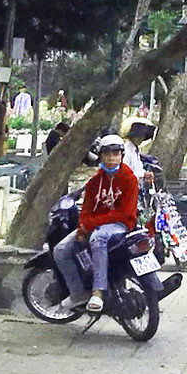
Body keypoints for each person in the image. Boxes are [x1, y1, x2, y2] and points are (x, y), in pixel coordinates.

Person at [53, 134, 140, 316]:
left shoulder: (129, 180)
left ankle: (98, 292)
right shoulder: (94, 183)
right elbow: (86, 209)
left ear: (121, 156)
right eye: (107, 154)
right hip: (94, 225)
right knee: (61, 250)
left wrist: (91, 224)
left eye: (115, 154)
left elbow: (124, 213)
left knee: (98, 238)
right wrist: (83, 226)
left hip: (119, 225)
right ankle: (77, 294)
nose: (111, 158)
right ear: (100, 156)